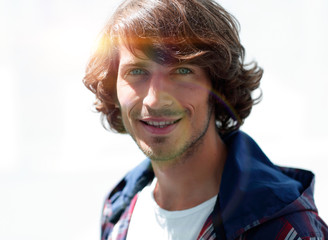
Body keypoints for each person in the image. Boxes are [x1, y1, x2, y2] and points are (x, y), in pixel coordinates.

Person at [83, 0, 328, 239]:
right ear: (113, 88)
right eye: (136, 72)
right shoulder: (118, 210)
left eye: (181, 71)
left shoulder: (286, 229)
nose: (155, 100)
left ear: (218, 87)